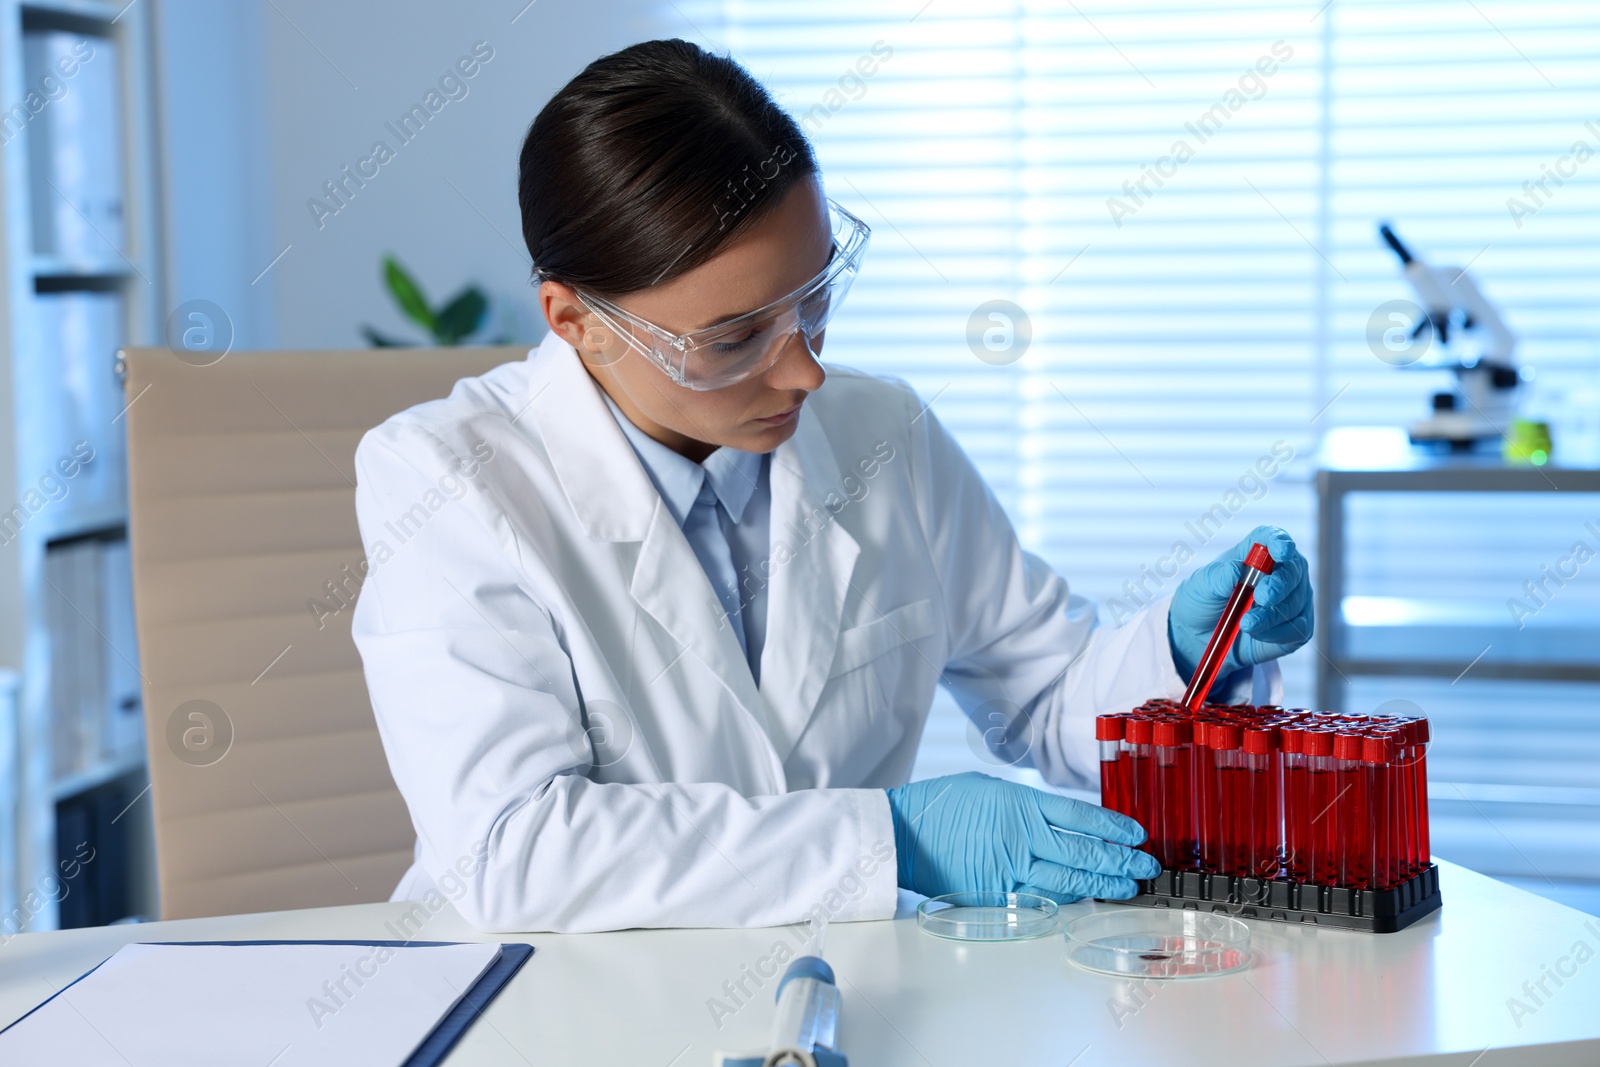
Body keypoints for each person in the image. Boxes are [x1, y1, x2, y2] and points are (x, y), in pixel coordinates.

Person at [350, 39, 1313, 933]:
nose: (804, 371)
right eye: (733, 340)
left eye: (814, 301)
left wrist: (1186, 655)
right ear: (575, 321)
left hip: (847, 984)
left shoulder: (879, 433)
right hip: (551, 1009)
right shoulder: (447, 481)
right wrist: (893, 840)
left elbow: (1045, 689)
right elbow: (513, 853)